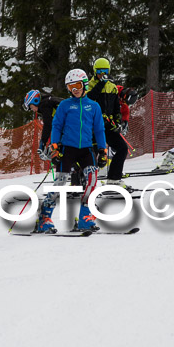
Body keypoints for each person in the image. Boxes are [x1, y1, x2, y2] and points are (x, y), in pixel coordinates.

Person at [34, 68, 108, 233]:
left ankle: (85, 217)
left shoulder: (93, 106)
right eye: (70, 87)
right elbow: (56, 126)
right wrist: (54, 145)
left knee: (92, 178)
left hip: (86, 149)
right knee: (60, 182)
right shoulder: (64, 105)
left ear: (84, 84)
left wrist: (102, 150)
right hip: (67, 149)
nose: (74, 90)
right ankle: (44, 218)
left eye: (76, 85)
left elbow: (99, 129)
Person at [85, 57, 130, 188]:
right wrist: (100, 84)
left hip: (108, 125)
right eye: (99, 71)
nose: (102, 74)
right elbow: (89, 98)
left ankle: (114, 178)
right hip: (93, 126)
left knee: (122, 148)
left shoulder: (112, 87)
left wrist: (117, 123)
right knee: (91, 154)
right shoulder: (90, 85)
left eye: (105, 71)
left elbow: (116, 108)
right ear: (95, 72)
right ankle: (83, 182)